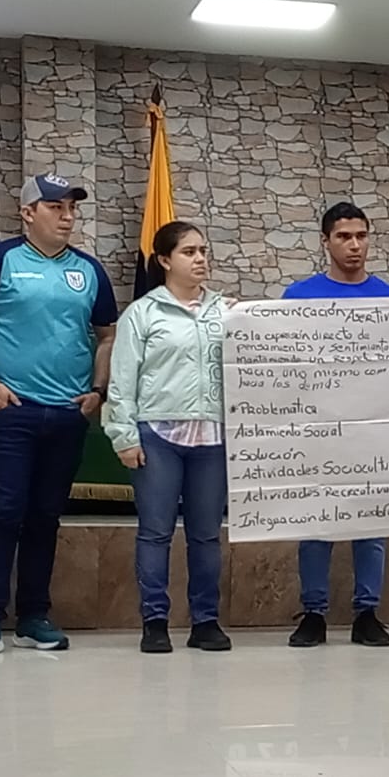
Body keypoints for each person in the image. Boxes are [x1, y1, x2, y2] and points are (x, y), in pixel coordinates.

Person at [0, 173, 119, 658]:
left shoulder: (88, 270)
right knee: (4, 513)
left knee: (45, 516)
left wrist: (97, 390)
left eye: (72, 209)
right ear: (28, 213)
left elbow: (107, 333)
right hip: (12, 411)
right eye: (56, 207)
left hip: (67, 414)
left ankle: (34, 616)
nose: (67, 217)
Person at [281, 201, 389, 649]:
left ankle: (367, 612)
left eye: (361, 236)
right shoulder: (298, 297)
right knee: (315, 523)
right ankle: (313, 612)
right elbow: (278, 364)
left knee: (371, 522)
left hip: (372, 427)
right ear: (325, 242)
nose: (354, 245)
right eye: (344, 237)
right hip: (317, 426)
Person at [104, 222, 232, 654]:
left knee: (206, 534)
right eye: (189, 252)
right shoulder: (143, 313)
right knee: (155, 532)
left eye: (203, 251)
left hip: (212, 436)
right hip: (158, 435)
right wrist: (124, 434)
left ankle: (206, 621)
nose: (200, 259)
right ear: (164, 260)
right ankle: (155, 621)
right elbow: (123, 379)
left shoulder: (226, 312)